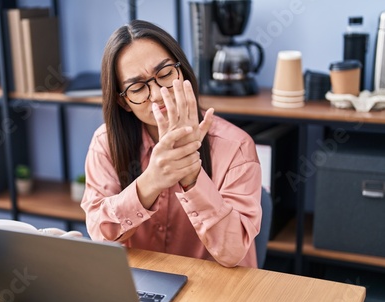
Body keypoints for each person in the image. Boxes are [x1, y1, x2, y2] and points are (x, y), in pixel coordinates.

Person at [81, 20, 262, 268]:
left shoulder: (236, 147)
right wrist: (151, 181)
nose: (157, 95)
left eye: (165, 74)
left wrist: (192, 176)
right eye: (137, 88)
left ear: (183, 72)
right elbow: (102, 235)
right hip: (144, 288)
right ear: (124, 102)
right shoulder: (105, 144)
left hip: (217, 294)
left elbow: (233, 252)